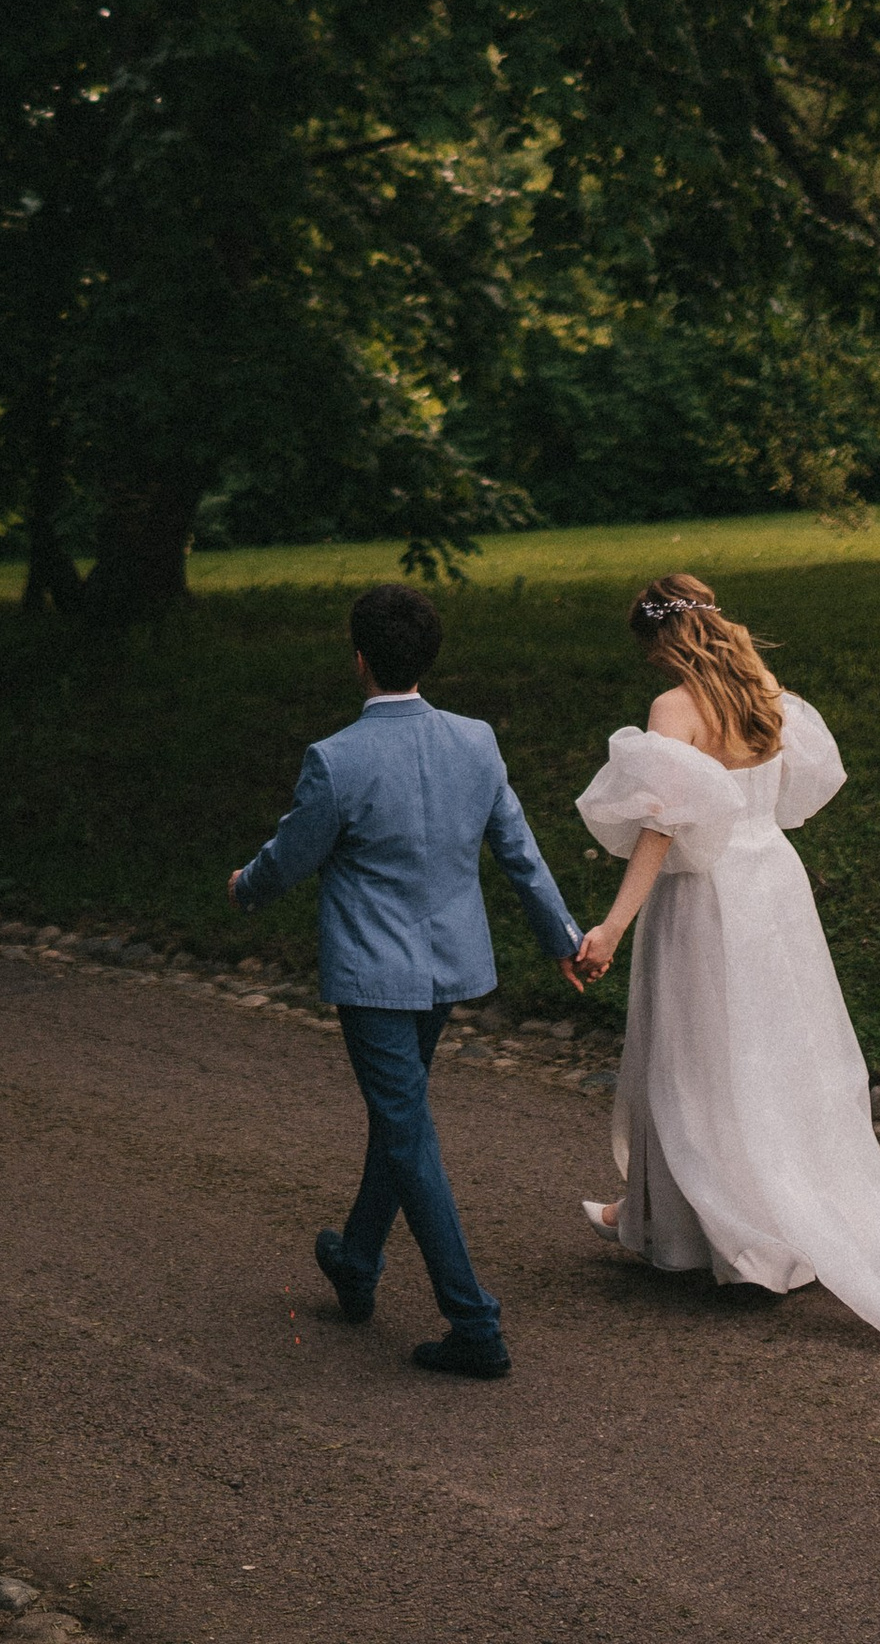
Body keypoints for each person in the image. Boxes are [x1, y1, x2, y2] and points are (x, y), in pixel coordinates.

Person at [570, 572, 880, 1358]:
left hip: (708, 899)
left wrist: (612, 926)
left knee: (695, 1064)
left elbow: (660, 831)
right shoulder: (762, 689)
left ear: (659, 639)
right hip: (773, 887)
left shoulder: (673, 708)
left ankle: (734, 1245)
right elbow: (797, 788)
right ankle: (680, 1221)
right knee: (774, 1064)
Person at [227, 578, 586, 1379]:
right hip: (449, 965)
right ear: (428, 657)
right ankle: (357, 1262)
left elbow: (291, 855)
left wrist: (244, 886)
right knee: (401, 1119)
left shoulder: (337, 759)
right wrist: (561, 934)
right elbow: (519, 853)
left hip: (373, 976)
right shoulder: (476, 741)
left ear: (359, 661)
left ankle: (475, 1323)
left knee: (407, 1129)